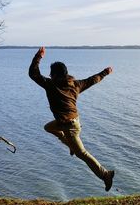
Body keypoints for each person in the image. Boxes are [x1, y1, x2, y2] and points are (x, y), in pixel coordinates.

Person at [29, 46, 115, 191]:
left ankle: (105, 174)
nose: (49, 76)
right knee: (48, 127)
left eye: (51, 74)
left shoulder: (51, 85)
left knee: (82, 153)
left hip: (70, 126)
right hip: (70, 122)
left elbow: (33, 73)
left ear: (55, 75)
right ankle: (69, 144)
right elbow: (93, 80)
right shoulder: (76, 84)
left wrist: (38, 56)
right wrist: (105, 72)